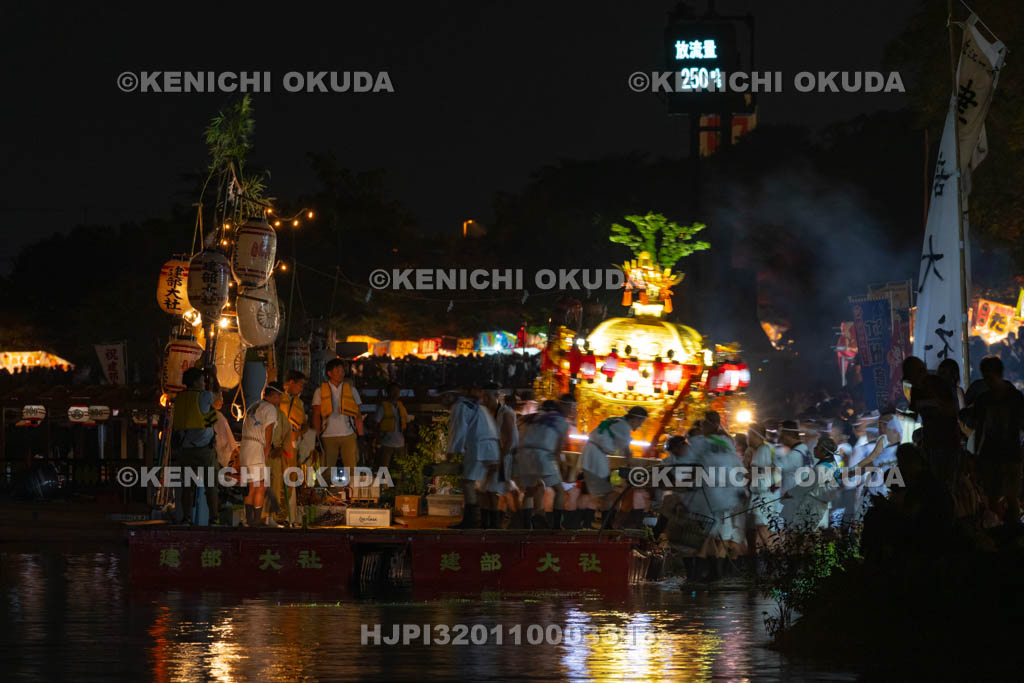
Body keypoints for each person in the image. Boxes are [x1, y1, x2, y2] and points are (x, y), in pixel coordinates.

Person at [961, 355, 1024, 524]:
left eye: (989, 377)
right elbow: (980, 429)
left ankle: (1009, 530)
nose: (987, 381)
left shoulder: (1010, 398)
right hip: (994, 454)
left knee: (1009, 497)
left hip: (1006, 454)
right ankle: (1006, 531)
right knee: (995, 497)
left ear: (997, 374)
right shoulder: (1010, 397)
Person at [445, 388, 500, 529]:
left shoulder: (460, 406)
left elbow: (458, 430)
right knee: (488, 486)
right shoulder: (477, 405)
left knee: (467, 482)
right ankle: (492, 524)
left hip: (478, 446)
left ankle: (471, 521)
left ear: (450, 396)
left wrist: (451, 453)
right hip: (492, 446)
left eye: (442, 398)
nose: (441, 402)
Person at [170, 368, 219, 525]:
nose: (204, 382)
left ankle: (187, 518)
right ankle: (214, 518)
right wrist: (214, 376)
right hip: (204, 449)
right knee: (211, 485)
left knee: (187, 487)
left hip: (185, 448)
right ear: (195, 381)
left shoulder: (180, 397)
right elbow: (217, 397)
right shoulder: (203, 396)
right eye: (202, 380)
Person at [579, 407, 647, 520]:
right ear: (635, 419)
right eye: (641, 422)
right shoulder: (624, 427)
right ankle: (592, 524)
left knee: (600, 494)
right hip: (595, 457)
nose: (640, 425)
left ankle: (592, 523)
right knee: (605, 494)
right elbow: (626, 450)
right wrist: (633, 464)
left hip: (594, 454)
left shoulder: (618, 421)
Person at [517, 397, 572, 529]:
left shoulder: (531, 418)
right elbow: (558, 447)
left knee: (530, 491)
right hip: (543, 454)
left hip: (524, 454)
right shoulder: (560, 421)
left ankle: (527, 526)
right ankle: (557, 525)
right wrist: (562, 464)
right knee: (559, 490)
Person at [312, 359, 362, 487]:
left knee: (351, 467)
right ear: (329, 373)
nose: (341, 373)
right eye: (337, 370)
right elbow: (316, 414)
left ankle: (352, 493)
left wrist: (361, 434)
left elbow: (357, 414)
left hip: (348, 433)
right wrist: (316, 435)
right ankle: (323, 494)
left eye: (342, 370)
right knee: (326, 468)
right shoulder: (320, 391)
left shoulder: (351, 390)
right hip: (328, 435)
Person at [240, 382, 282, 526]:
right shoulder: (270, 408)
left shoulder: (254, 405)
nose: (280, 401)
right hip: (257, 447)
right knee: (260, 486)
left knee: (251, 486)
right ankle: (256, 521)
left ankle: (249, 520)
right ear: (274, 396)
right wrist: (267, 449)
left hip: (245, 446)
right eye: (279, 397)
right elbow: (268, 429)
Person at [270, 370, 306, 527]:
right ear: (290, 382)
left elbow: (305, 424)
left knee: (289, 482)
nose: (301, 388)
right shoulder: (277, 399)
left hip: (292, 447)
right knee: (277, 481)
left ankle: (283, 516)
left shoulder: (299, 403)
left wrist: (298, 433)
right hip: (278, 447)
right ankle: (275, 516)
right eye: (300, 385)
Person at [783, 436, 842, 531]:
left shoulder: (820, 468)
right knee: (816, 534)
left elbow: (805, 486)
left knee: (801, 534)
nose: (814, 449)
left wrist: (789, 493)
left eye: (817, 447)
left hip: (812, 505)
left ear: (824, 452)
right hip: (824, 505)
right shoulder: (834, 465)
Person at [481, 383, 518, 529]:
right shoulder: (488, 413)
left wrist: (500, 458)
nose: (484, 399)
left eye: (487, 396)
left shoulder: (505, 413)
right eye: (483, 396)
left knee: (495, 491)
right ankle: (490, 523)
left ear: (496, 396)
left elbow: (509, 439)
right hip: (492, 456)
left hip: (503, 457)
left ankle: (495, 524)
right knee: (488, 490)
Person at [372, 381, 409, 469]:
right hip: (386, 444)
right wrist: (378, 438)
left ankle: (397, 483)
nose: (396, 393)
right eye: (393, 391)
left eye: (398, 391)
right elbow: (375, 424)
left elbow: (407, 421)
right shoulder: (383, 407)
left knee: (399, 471)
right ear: (388, 392)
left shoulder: (401, 406)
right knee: (383, 471)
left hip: (400, 444)